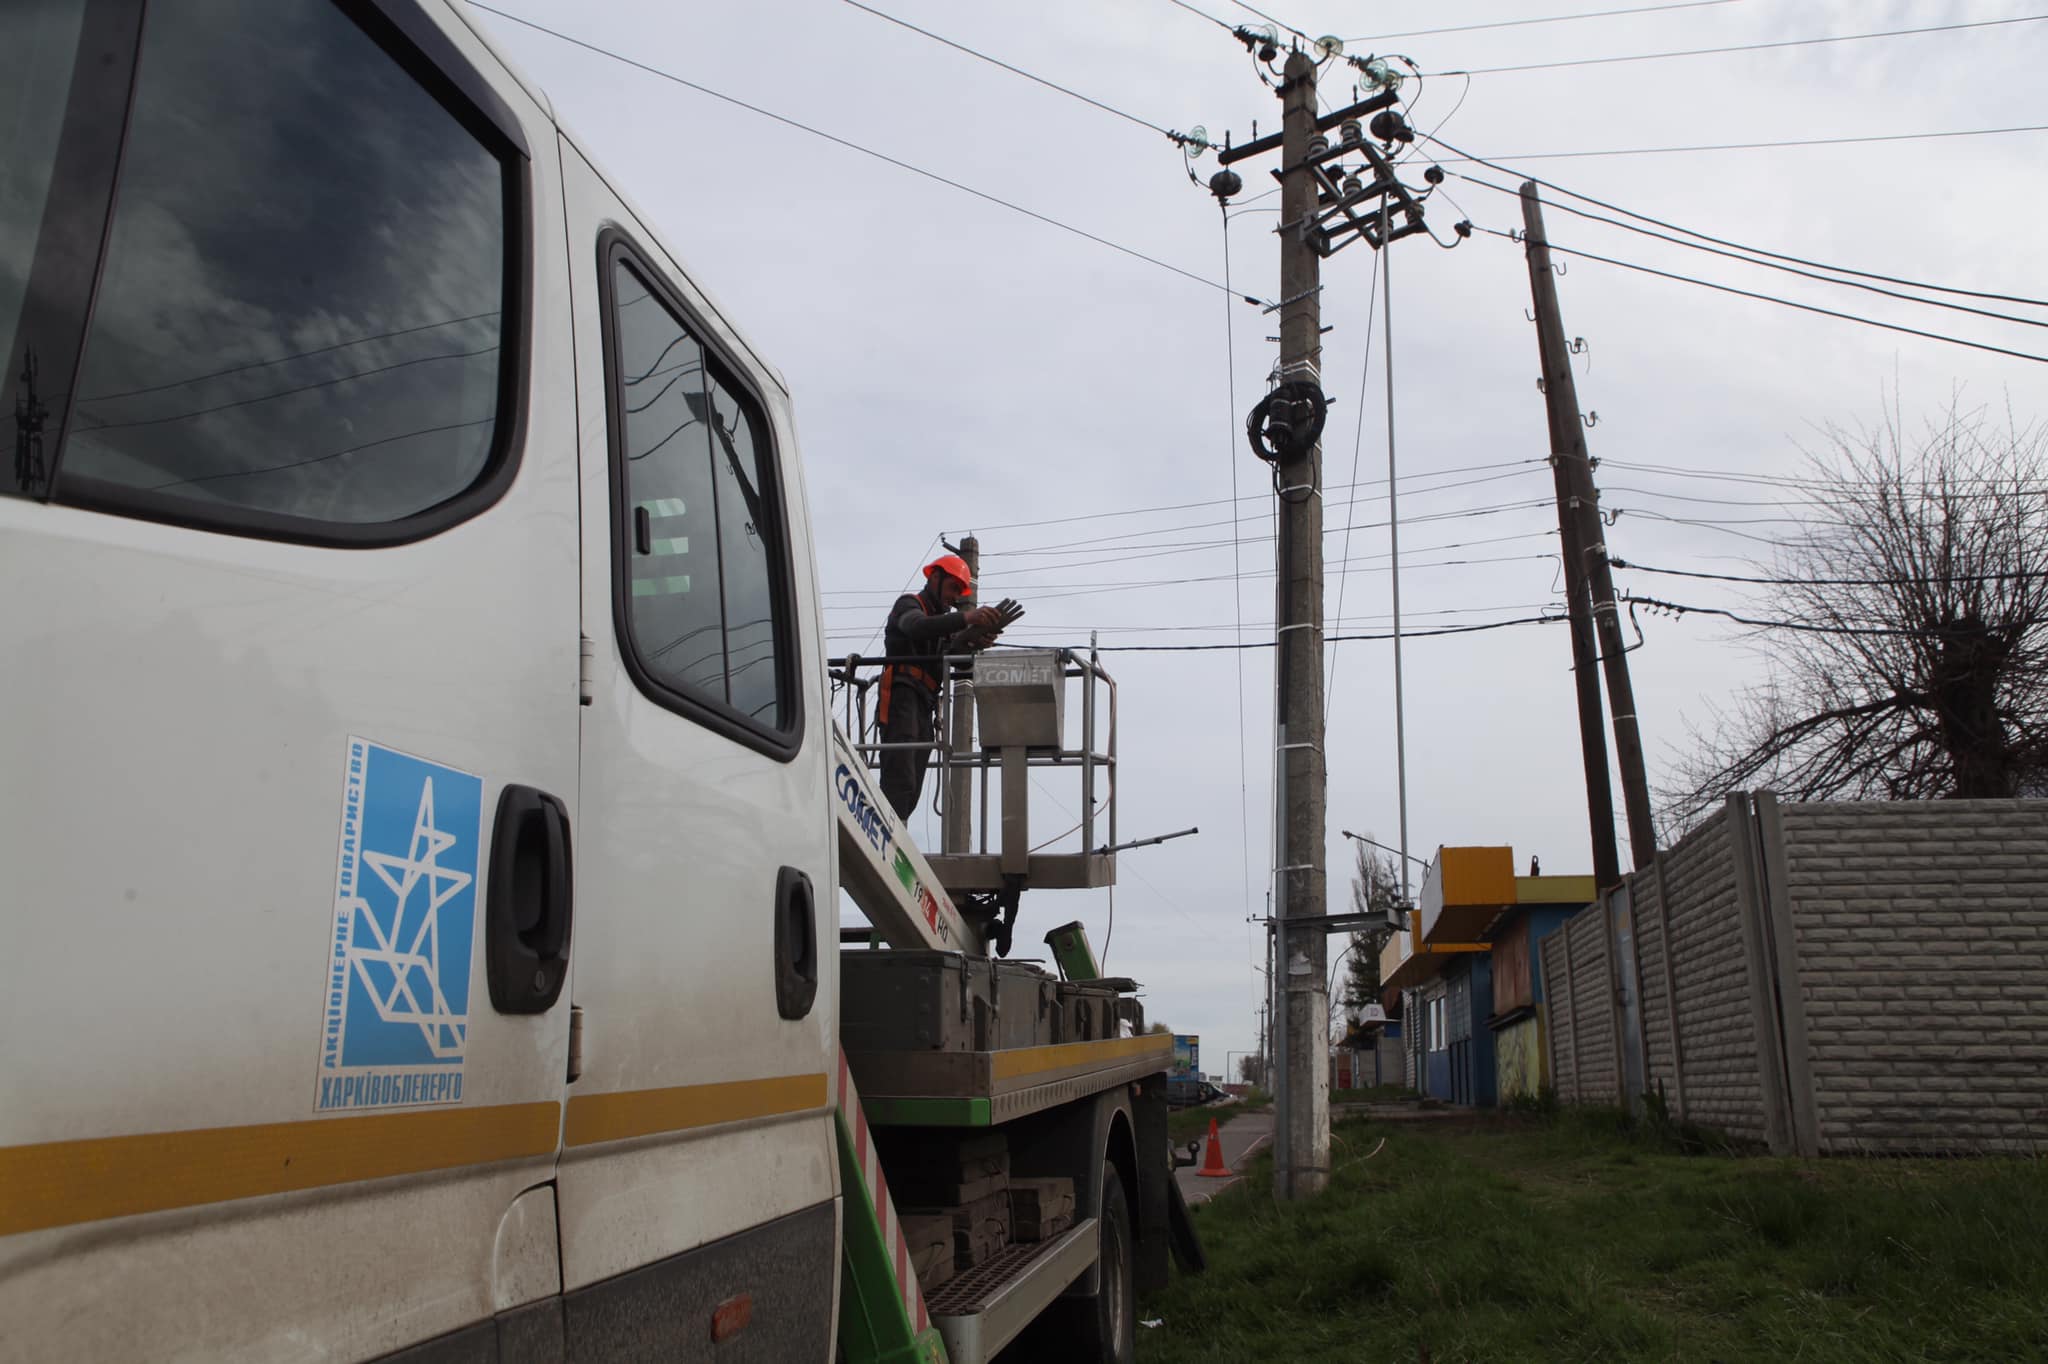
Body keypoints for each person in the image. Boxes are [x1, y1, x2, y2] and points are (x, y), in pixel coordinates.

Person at [877, 554, 1001, 819]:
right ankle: (887, 839)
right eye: (952, 587)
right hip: (903, 698)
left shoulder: (944, 628)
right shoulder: (910, 604)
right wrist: (967, 619)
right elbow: (916, 627)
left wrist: (972, 643)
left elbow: (958, 665)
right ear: (935, 577)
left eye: (959, 591)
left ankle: (896, 833)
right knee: (901, 779)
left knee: (912, 788)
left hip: (924, 704)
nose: (954, 597)